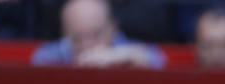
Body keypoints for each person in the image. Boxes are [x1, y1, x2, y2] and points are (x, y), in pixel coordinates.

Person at [30, 0, 166, 68]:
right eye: (77, 38)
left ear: (112, 27)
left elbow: (159, 60)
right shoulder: (51, 55)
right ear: (65, 33)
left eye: (96, 34)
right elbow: (38, 60)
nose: (87, 44)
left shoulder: (127, 50)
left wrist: (122, 56)